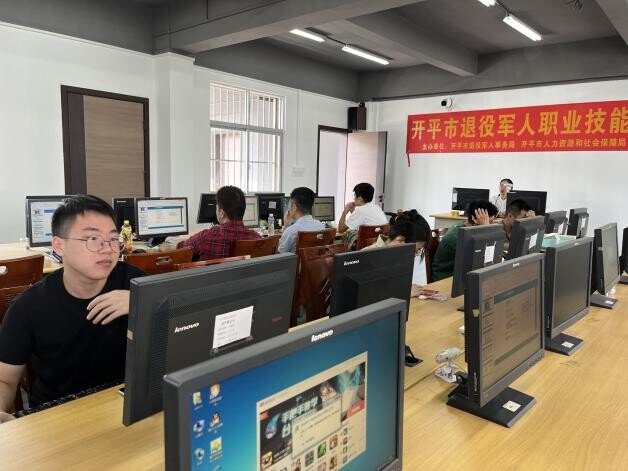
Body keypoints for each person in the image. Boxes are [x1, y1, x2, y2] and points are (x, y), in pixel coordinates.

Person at [0, 195, 146, 423]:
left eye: (113, 239)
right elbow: (5, 380)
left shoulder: (135, 283)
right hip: (57, 415)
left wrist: (141, 304)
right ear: (59, 246)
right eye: (93, 238)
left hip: (123, 405)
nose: (108, 249)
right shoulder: (28, 307)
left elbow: (183, 334)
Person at [178, 185, 260, 260]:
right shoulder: (256, 238)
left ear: (221, 213)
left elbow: (181, 249)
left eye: (216, 207)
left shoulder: (206, 237)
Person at [364, 209, 432, 296]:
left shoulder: (397, 255)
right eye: (415, 251)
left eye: (418, 251)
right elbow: (367, 295)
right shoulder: (367, 257)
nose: (415, 255)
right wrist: (403, 292)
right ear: (399, 240)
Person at [431, 200, 498, 282]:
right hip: (446, 279)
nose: (492, 225)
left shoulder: (467, 228)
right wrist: (485, 230)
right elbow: (483, 259)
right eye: (489, 222)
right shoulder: (456, 237)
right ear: (475, 219)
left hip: (461, 276)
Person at [338, 183, 387, 249]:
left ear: (360, 198)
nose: (354, 199)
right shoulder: (377, 207)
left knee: (346, 235)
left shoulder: (360, 210)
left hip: (364, 248)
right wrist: (353, 212)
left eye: (355, 196)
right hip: (379, 246)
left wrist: (344, 212)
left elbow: (340, 230)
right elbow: (363, 220)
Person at [278, 187, 325, 253]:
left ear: (294, 207)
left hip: (295, 260)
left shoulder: (291, 231)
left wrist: (286, 227)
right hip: (314, 259)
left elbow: (280, 253)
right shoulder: (321, 226)